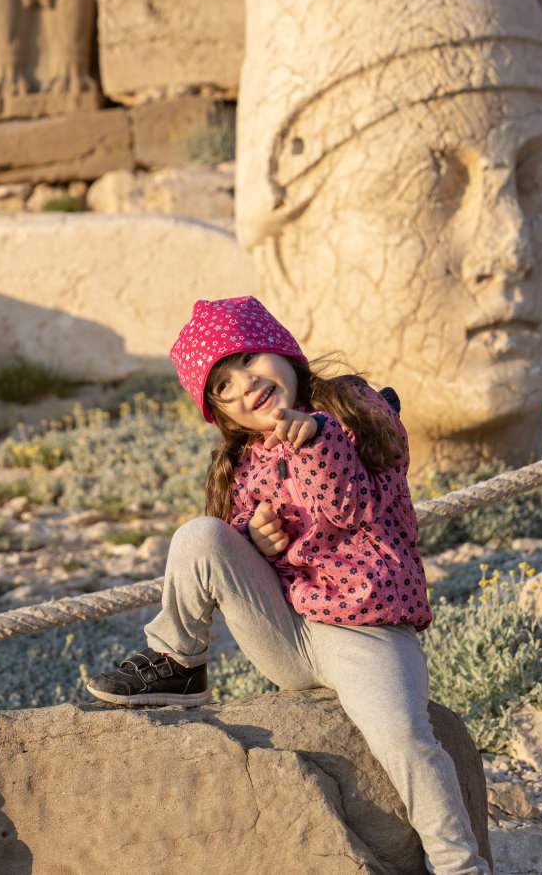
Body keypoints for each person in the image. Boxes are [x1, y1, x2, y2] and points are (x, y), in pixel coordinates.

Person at [86, 296, 487, 875]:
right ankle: (178, 660)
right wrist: (256, 542)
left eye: (250, 359)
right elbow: (235, 561)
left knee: (405, 737)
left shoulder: (355, 413)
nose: (245, 385)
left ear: (285, 351)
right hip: (287, 634)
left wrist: (314, 439)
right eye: (222, 386)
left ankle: (458, 865)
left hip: (366, 631)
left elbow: (350, 508)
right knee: (201, 535)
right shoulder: (243, 459)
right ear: (220, 413)